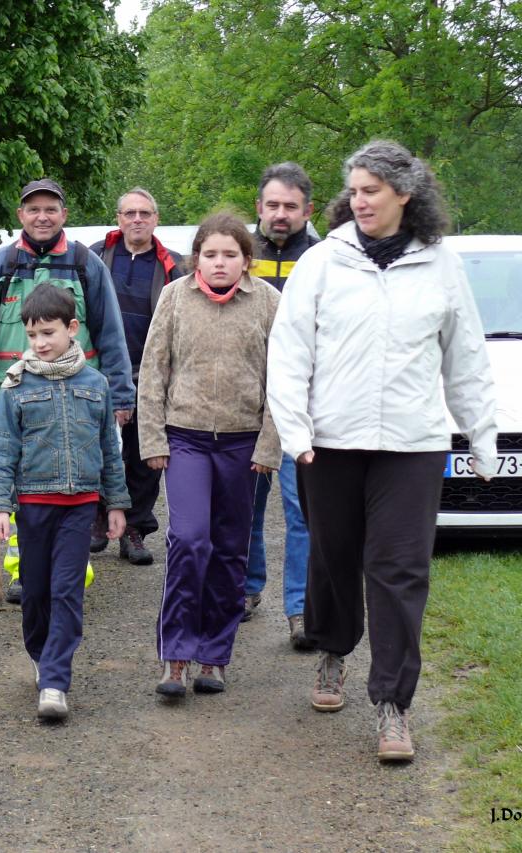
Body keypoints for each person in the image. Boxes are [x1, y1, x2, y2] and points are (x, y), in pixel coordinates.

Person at [267, 140, 496, 762]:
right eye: (355, 190)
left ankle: (393, 704)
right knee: (334, 558)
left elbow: (466, 356)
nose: (359, 200)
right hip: (331, 443)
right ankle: (334, 651)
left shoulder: (441, 266)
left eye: (372, 190)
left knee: (400, 571)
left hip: (412, 444)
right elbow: (289, 352)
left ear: (405, 193)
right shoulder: (324, 262)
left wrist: (482, 435)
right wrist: (296, 433)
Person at [0, 178, 133, 602]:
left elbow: (111, 331)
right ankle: (22, 569)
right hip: (11, 395)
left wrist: (122, 394)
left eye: (50, 209)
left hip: (78, 393)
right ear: (20, 216)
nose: (42, 216)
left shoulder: (86, 265)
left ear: (63, 215)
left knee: (76, 474)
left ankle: (69, 569)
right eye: (33, 209)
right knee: (19, 483)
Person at [139, 213, 281, 699]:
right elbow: (153, 370)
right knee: (190, 539)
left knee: (228, 549)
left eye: (231, 254)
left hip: (244, 445)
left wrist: (269, 444)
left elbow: (282, 380)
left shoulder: (267, 302)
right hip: (186, 439)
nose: (220, 263)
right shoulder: (175, 296)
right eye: (211, 254)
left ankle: (214, 657)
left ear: (247, 260)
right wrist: (153, 439)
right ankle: (176, 656)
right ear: (196, 257)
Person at [0, 285, 129, 721]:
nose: (40, 343)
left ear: (72, 329)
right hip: (32, 505)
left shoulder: (96, 384)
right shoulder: (15, 386)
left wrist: (118, 503)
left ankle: (54, 680)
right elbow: (3, 449)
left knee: (68, 590)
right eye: (32, 335)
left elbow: (109, 447)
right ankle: (42, 652)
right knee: (35, 592)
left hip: (79, 505)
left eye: (48, 333)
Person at [88, 188, 184, 566]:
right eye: (130, 213)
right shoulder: (95, 256)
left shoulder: (172, 264)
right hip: (101, 370)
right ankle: (98, 518)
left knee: (145, 455)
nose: (137, 220)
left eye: (145, 213)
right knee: (98, 448)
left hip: (152, 372)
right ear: (119, 218)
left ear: (156, 219)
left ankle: (135, 528)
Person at [244, 162, 318, 648]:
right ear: (259, 208)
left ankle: (300, 607)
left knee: (302, 510)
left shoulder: (325, 257)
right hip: (247, 405)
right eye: (272, 205)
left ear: (308, 210)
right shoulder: (235, 253)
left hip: (303, 407)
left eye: (290, 206)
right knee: (245, 507)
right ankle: (245, 589)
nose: (280, 214)